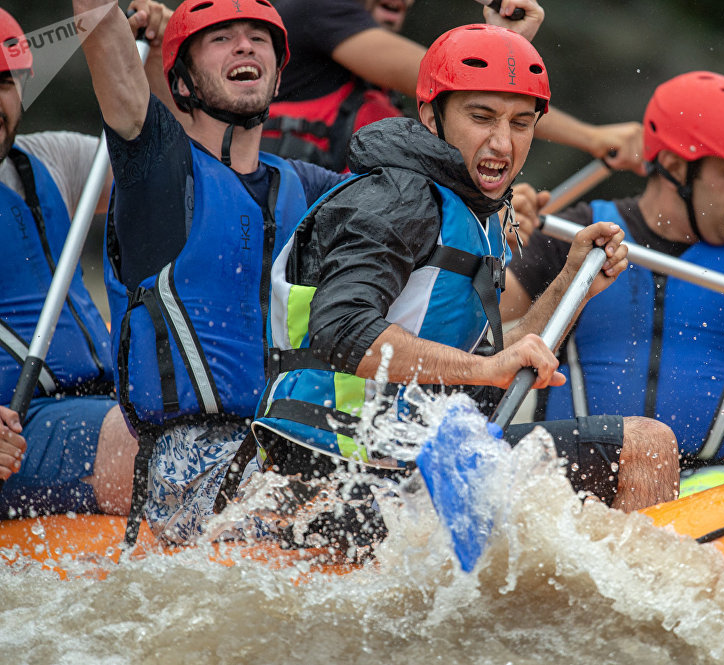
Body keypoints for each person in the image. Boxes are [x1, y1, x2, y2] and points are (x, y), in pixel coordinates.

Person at [252, 24, 679, 518]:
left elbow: (487, 364)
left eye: (521, 123)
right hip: (329, 464)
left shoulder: (471, 211)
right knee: (645, 448)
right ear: (429, 114)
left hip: (407, 458)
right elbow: (341, 330)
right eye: (481, 117)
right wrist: (484, 369)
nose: (502, 142)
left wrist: (571, 286)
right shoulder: (397, 195)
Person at [74, 0, 354, 543]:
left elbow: (415, 199)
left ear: (278, 75)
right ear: (181, 82)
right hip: (190, 461)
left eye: (258, 38)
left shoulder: (310, 187)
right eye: (221, 38)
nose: (245, 45)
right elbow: (102, 32)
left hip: (287, 449)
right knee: (340, 529)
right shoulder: (155, 166)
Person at [504, 71, 724, 483]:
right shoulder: (577, 236)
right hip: (580, 486)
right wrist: (492, 236)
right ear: (673, 167)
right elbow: (475, 319)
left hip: (721, 491)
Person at [0, 6, 170, 518]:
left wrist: (155, 60)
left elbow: (163, 168)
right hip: (19, 434)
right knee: (157, 447)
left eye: (3, 83)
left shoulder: (49, 161)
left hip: (101, 405)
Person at [262, 0, 644, 195]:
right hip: (289, 222)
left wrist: (501, 41)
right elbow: (457, 80)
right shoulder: (316, 7)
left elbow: (479, 90)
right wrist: (593, 138)